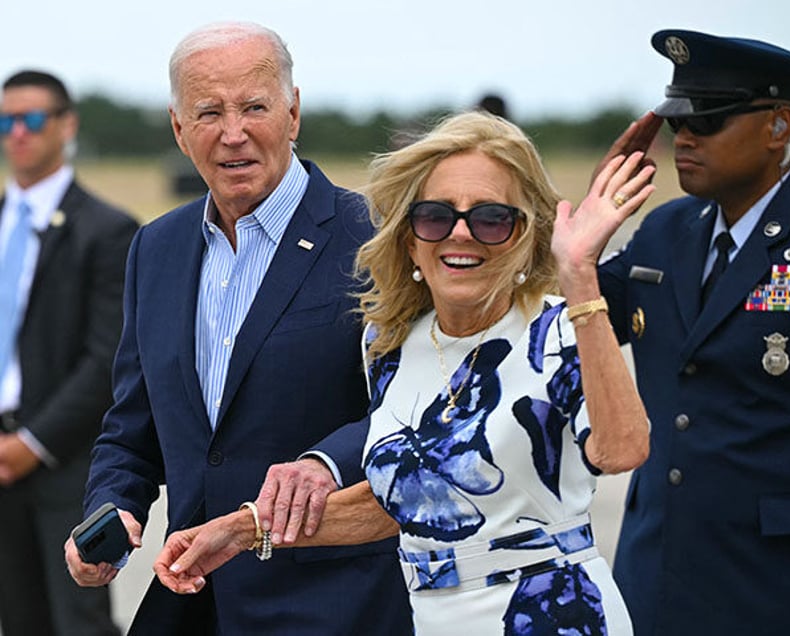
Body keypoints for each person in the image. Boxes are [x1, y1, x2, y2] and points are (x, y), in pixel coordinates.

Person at [153, 110, 656, 634]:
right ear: (410, 238)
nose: (461, 235)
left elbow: (623, 450)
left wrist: (581, 277)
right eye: (436, 216)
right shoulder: (390, 344)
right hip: (433, 619)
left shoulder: (561, 329)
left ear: (526, 236)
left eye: (490, 218)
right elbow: (401, 504)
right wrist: (240, 530)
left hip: (554, 616)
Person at [63, 21, 411, 635]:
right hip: (193, 599)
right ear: (178, 128)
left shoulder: (378, 237)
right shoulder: (155, 248)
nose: (233, 134)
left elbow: (412, 406)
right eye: (208, 113)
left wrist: (324, 463)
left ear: (293, 112)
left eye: (255, 107)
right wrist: (110, 511)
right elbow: (131, 427)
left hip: (336, 601)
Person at [595, 30, 790, 635]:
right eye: (678, 120)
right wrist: (585, 226)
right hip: (656, 579)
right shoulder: (664, 230)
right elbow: (562, 320)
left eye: (708, 121)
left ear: (779, 126)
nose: (684, 138)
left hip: (788, 591)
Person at [0, 70, 138, 636]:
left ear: (67, 125)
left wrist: (31, 443)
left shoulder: (108, 230)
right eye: (7, 121)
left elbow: (108, 355)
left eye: (32, 119)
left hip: (64, 460)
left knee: (77, 622)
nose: (18, 134)